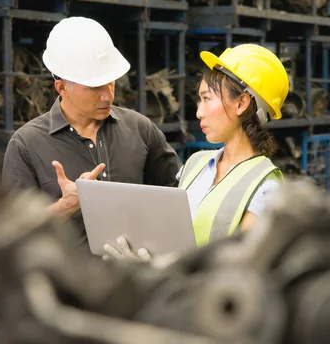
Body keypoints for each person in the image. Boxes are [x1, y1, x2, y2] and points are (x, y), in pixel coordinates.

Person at [2, 16, 182, 245]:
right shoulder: (26, 145)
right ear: (62, 88)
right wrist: (67, 204)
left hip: (136, 275)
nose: (108, 95)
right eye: (95, 87)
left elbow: (180, 196)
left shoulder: (139, 129)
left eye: (111, 82)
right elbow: (12, 235)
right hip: (67, 279)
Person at [103, 43, 289, 262]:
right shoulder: (195, 164)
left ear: (241, 103)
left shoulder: (266, 187)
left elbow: (243, 270)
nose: (199, 113)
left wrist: (160, 271)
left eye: (207, 98)